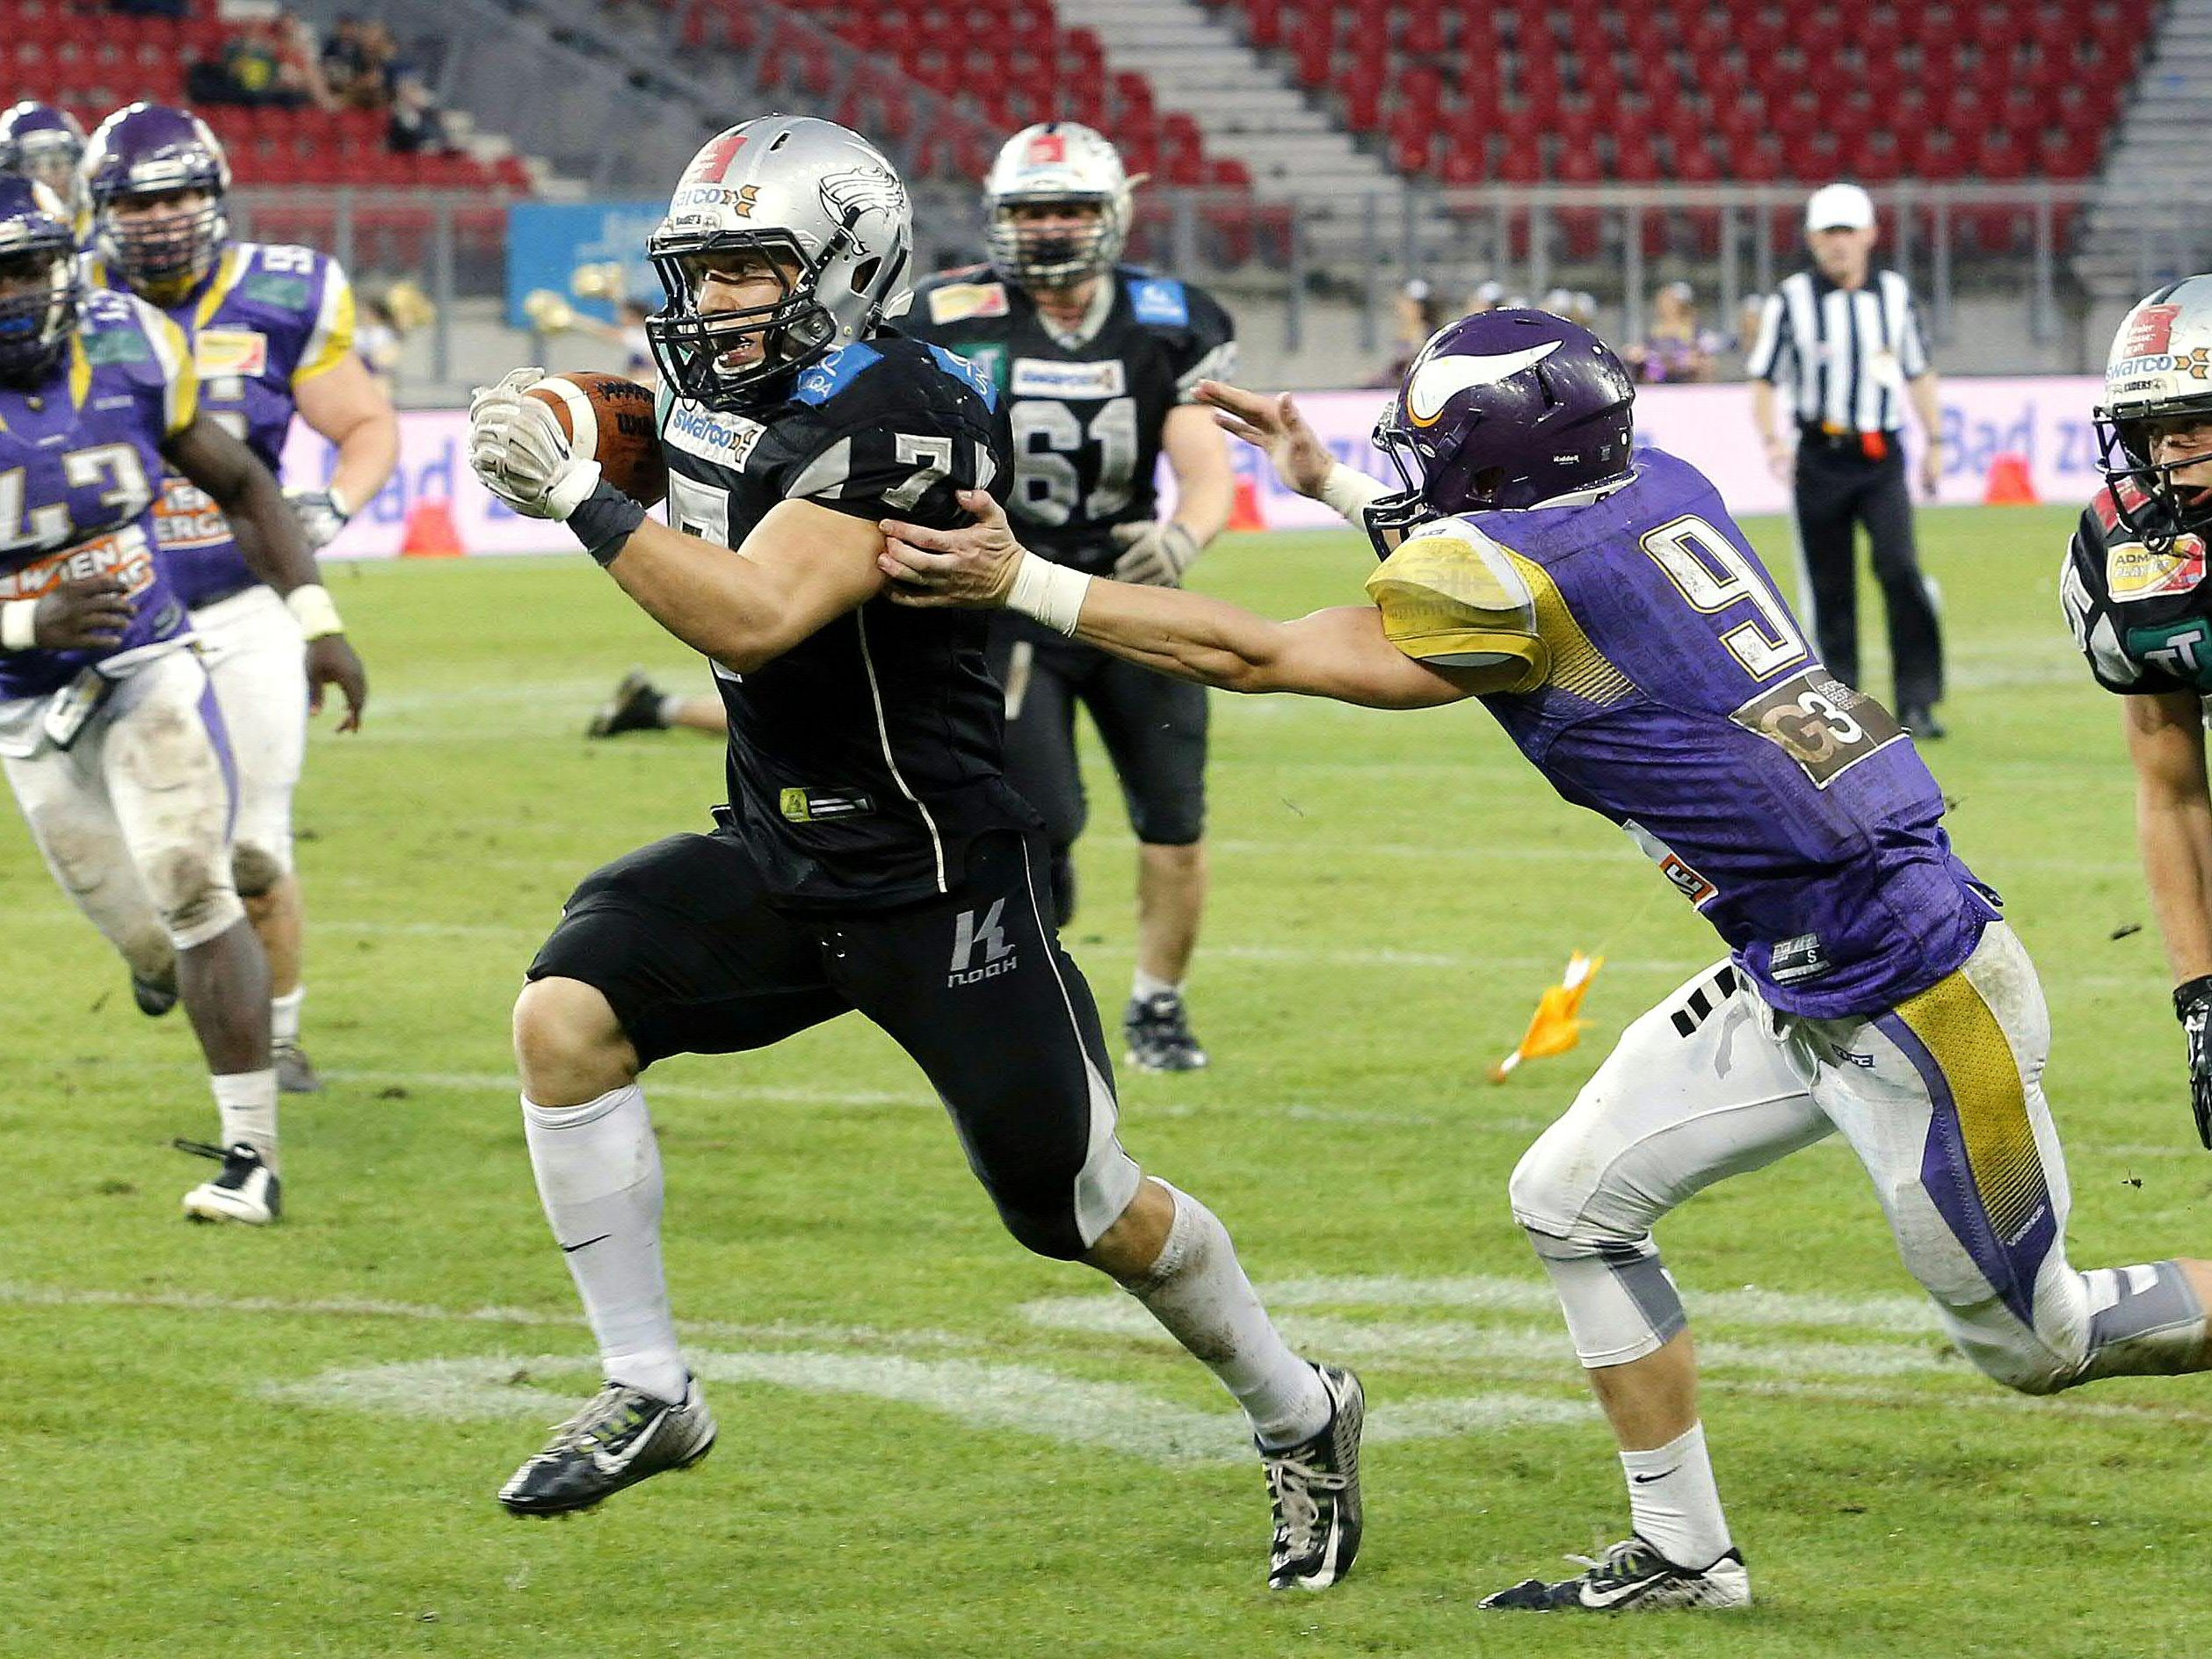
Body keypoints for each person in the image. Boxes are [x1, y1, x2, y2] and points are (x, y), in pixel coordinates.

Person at [876, 308, 2212, 1613]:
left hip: (1910, 986)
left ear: (1505, 462)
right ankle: (1687, 1556)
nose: (1424, 475)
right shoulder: (1662, 482)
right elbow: (1521, 571)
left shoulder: (1511, 575)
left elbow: (1261, 648)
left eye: (1438, 451)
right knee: (1570, 1200)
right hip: (1804, 955)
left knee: (2042, 1341)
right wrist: (1336, 485)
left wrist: (1021, 583)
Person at [463, 117, 1361, 1590]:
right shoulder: (728, 378)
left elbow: (751, 619)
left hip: (935, 876)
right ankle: (652, 1387)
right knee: (564, 1016)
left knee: (1079, 1206)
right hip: (776, 852)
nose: (719, 305)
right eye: (706, 273)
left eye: (753, 270)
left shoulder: (905, 406)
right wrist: (560, 408)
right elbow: (633, 413)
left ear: (846, 259)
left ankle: (1299, 1405)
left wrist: (575, 493)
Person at [587, 120, 1238, 1074]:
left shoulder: (1170, 315)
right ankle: (1010, 981)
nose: (1050, 230)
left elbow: (1201, 460)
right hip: (990, 585)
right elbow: (843, 386)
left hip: (1123, 585)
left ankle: (1158, 1004)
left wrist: (1183, 532)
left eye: (1068, 209)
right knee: (1045, 810)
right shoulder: (948, 312)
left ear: (1115, 213)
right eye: (1028, 210)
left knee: (1172, 815)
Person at [0, 176, 366, 1223]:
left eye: (28, 267)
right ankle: (155, 964)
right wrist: (29, 622)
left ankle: (251, 1158)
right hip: (21, 700)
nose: (15, 293)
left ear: (65, 265)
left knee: (193, 886)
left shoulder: (132, 343)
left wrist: (315, 619)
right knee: (143, 931)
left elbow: (245, 483)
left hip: (147, 659)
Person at [83, 104, 399, 1094]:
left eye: (179, 194)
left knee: (256, 842)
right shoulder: (68, 300)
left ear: (215, 197)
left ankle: (279, 1033)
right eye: (138, 200)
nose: (162, 217)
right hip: (116, 617)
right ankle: (153, 955)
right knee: (138, 861)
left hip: (241, 598)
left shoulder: (279, 291)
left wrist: (331, 510)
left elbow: (366, 424)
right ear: (101, 211)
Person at [2063, 275, 2212, 1144]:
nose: (2170, 454)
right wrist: (2202, 1000)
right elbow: (2172, 787)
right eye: (2155, 430)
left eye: (2196, 423)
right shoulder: (2122, 551)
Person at [1747, 182, 1947, 737]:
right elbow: (1763, 380)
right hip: (1820, 454)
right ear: (1812, 239)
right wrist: (1772, 441)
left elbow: (1918, 369)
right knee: (1829, 585)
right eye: (1828, 233)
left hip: (1880, 455)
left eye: (1848, 232)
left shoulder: (1893, 293)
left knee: (1900, 568)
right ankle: (1843, 706)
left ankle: (1917, 701)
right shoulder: (1790, 300)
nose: (1838, 244)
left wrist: (1936, 440)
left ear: (1870, 235)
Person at [0, 102, 88, 233]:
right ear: (12, 168)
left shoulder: (94, 200)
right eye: (32, 164)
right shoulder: (9, 208)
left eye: (56, 161)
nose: (45, 172)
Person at [1625, 280, 1720, 383]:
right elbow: (1646, 351)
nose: (1666, 305)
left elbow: (1703, 351)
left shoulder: (1695, 329)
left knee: (1705, 364)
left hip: (1685, 372)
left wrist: (1690, 358)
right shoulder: (1656, 330)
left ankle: (1701, 396)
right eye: (1663, 301)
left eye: (1671, 301)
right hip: (1659, 370)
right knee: (1647, 367)